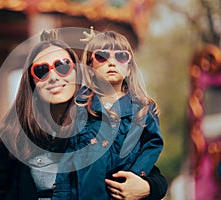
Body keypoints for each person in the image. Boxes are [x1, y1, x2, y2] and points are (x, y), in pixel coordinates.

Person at [0, 29, 167, 200]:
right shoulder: (14, 134)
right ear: (31, 81)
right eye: (41, 70)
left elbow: (149, 172)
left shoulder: (95, 120)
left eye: (62, 66)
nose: (53, 77)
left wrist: (148, 187)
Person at [53, 30, 164, 200]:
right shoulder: (80, 107)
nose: (112, 62)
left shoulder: (143, 109)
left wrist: (137, 175)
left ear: (129, 68)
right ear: (90, 68)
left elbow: (153, 144)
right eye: (102, 56)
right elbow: (67, 159)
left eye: (121, 57)